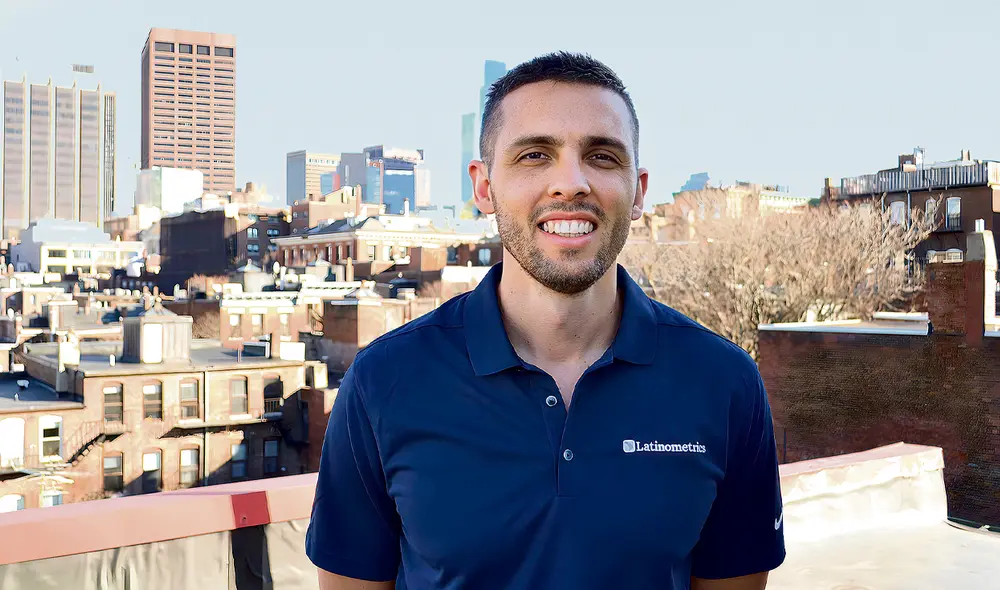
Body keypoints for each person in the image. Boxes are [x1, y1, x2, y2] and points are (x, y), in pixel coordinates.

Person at [306, 52, 786, 590]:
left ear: (639, 191)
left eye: (602, 156)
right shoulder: (383, 381)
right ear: (484, 187)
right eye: (535, 154)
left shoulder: (723, 382)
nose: (571, 183)